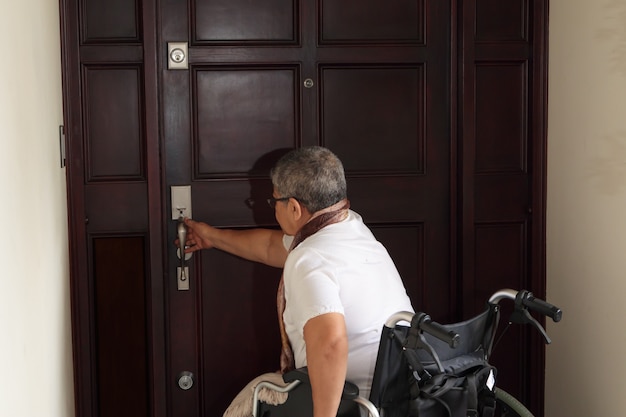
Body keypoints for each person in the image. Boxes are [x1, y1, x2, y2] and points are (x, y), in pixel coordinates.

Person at [181, 146, 414, 417]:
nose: (273, 209)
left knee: (250, 400)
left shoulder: (310, 257)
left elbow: (330, 344)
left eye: (274, 201)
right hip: (397, 397)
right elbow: (270, 247)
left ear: (293, 207)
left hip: (351, 403)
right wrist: (212, 237)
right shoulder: (350, 227)